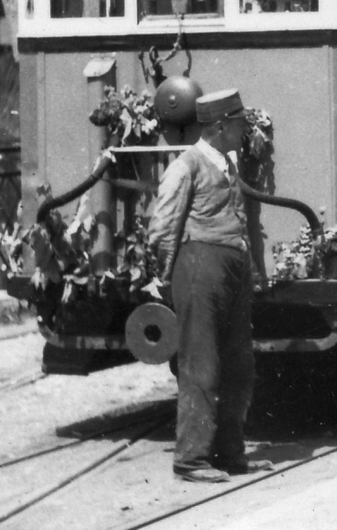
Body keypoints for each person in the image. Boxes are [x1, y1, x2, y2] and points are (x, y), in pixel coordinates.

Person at [147, 88, 257, 483]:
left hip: (231, 267)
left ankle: (229, 452)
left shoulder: (228, 162)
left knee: (239, 365)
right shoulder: (186, 165)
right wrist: (162, 276)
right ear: (219, 126)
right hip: (199, 266)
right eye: (240, 123)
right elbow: (162, 226)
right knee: (202, 364)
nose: (245, 129)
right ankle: (190, 459)